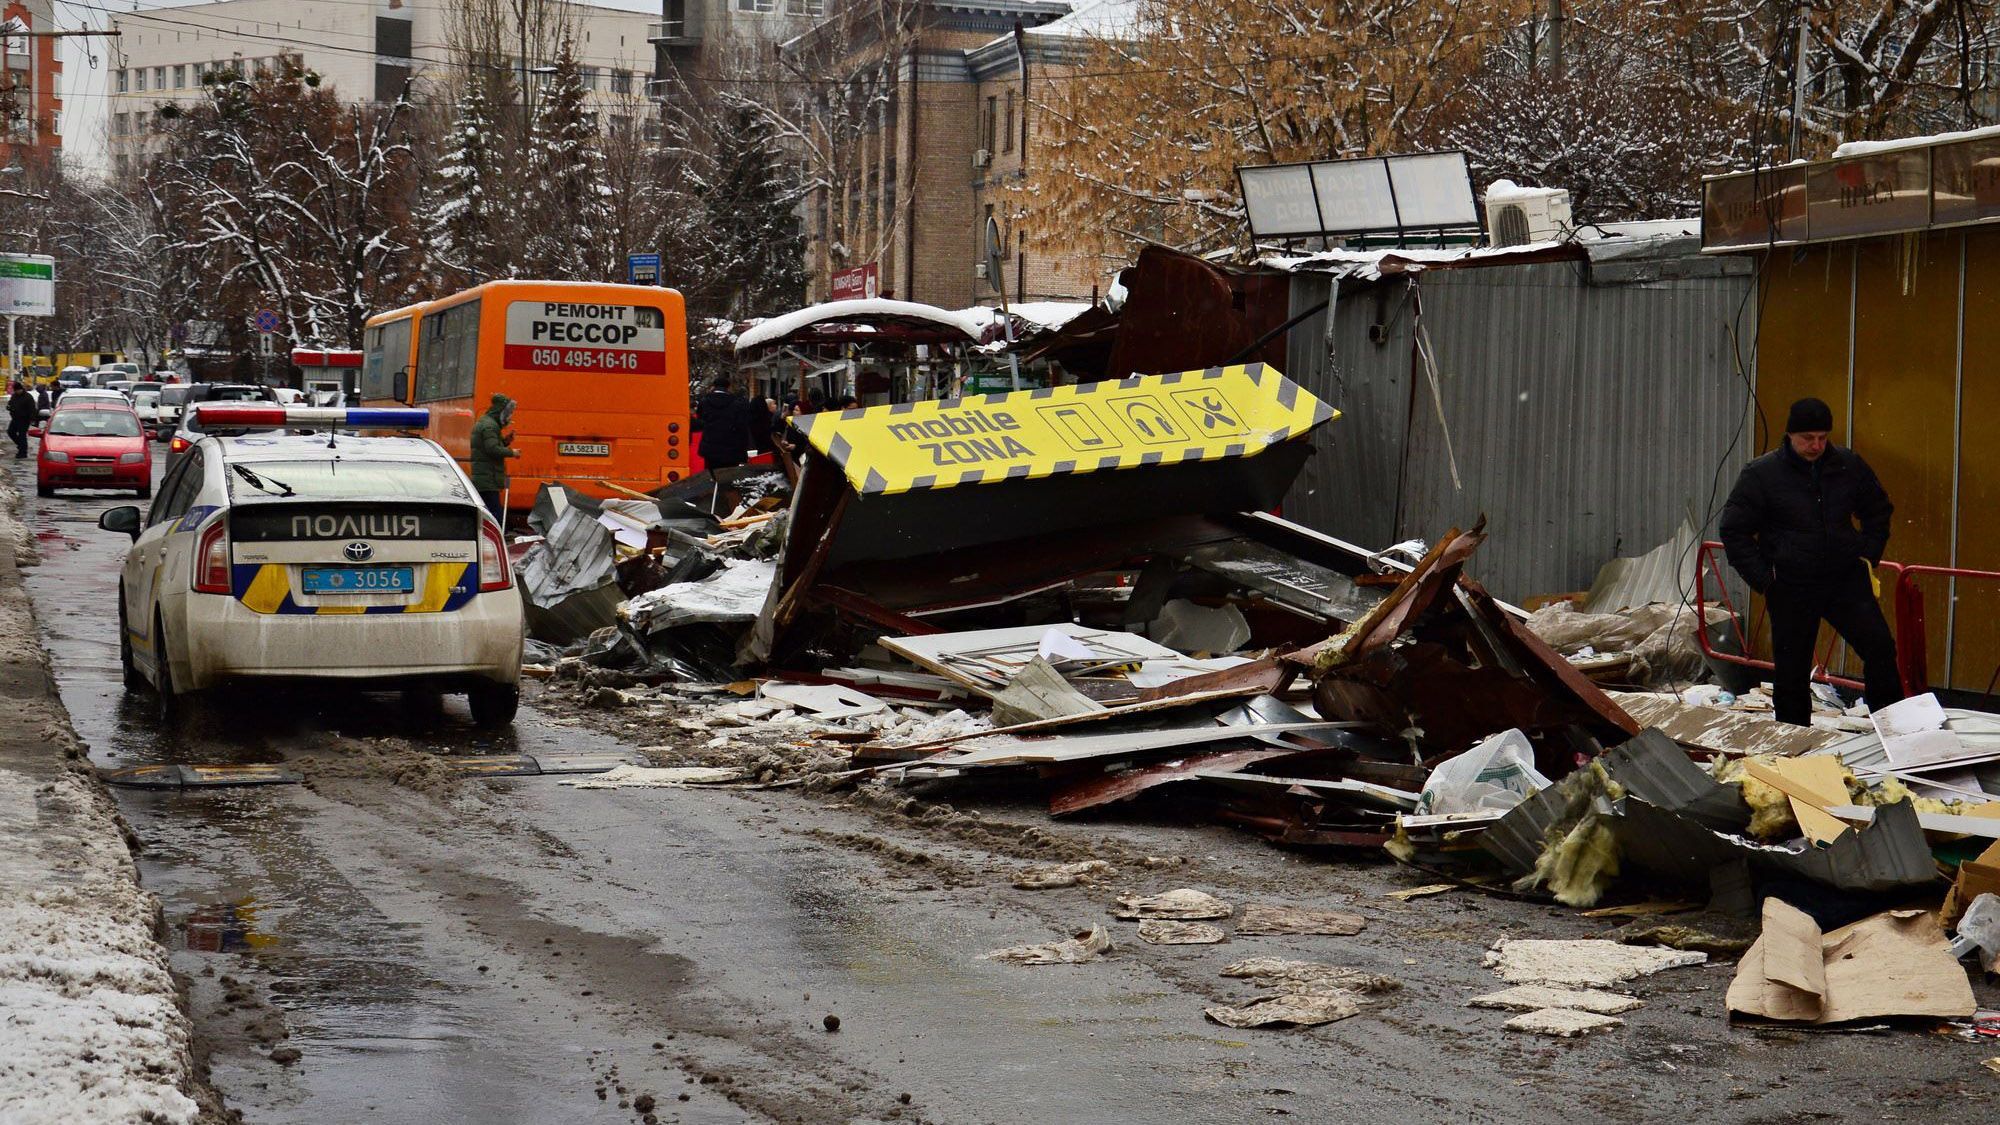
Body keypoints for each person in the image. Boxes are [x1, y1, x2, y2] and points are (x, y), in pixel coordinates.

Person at [1719, 396, 1903, 726]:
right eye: (1807, 438)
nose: (1816, 445)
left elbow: (1878, 509)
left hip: (1845, 579)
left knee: (1880, 649)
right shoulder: (1762, 474)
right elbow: (1734, 532)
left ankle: (1892, 729)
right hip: (1791, 584)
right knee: (1792, 670)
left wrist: (1868, 553)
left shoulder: (1846, 465)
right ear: (1790, 435)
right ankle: (1794, 743)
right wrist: (1765, 579)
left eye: (1822, 437)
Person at [468, 393, 520, 522]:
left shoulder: (487, 423)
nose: (509, 417)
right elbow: (492, 449)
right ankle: (495, 536)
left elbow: (490, 445)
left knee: (486, 509)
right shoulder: (490, 426)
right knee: (495, 513)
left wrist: (506, 441)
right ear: (500, 411)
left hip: (485, 476)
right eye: (508, 412)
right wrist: (512, 452)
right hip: (488, 477)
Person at [693, 375, 752, 472]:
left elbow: (701, 420)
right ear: (728, 387)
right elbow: (742, 428)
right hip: (731, 449)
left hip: (710, 447)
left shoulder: (705, 402)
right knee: (728, 477)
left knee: (711, 474)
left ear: (714, 386)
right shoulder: (737, 403)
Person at [6, 382, 34, 458]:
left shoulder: (28, 397)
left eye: (17, 390)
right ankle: (21, 445)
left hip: (24, 419)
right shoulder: (14, 396)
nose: (16, 392)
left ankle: (23, 453)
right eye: (15, 391)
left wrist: (31, 419)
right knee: (10, 432)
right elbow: (10, 403)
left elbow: (32, 409)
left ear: (21, 389)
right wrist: (9, 407)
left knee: (22, 435)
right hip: (15, 418)